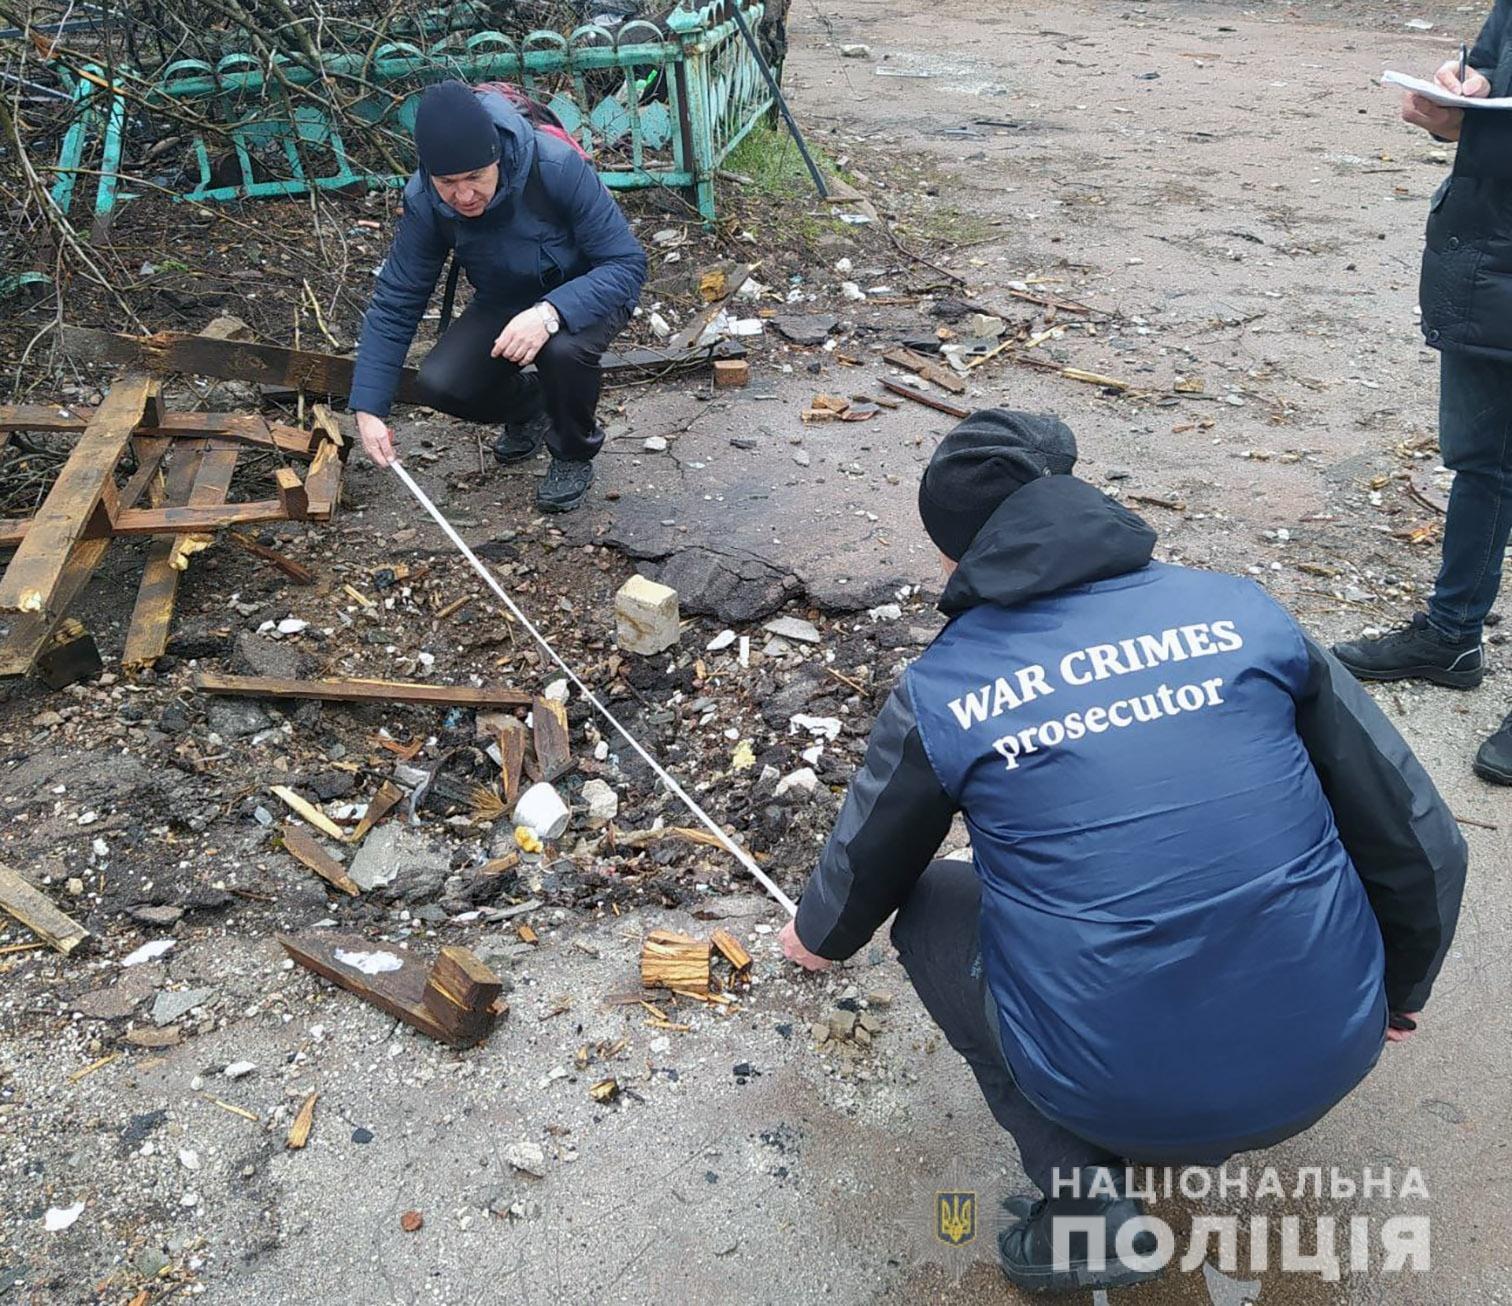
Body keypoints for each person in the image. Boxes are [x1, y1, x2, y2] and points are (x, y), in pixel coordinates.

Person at [776, 411, 1468, 1294]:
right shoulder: (1241, 612)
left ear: (954, 558)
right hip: (1334, 1048)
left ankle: (1084, 1205)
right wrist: (1397, 990)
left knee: (933, 905)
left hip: (1114, 1092)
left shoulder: (947, 685)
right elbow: (1422, 837)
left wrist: (816, 937)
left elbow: (870, 860)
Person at [1333, 1, 1512, 781]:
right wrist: (1463, 93)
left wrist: (1469, 126)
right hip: (1490, 257)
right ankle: (1451, 637)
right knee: (1483, 462)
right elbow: (1493, 81)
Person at [348, 79, 647, 513]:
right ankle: (532, 407)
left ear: (498, 159)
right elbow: (397, 299)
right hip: (505, 296)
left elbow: (626, 264)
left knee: (561, 351)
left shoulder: (555, 166)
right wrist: (369, 407)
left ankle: (573, 452)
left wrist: (551, 312)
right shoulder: (425, 200)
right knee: (440, 383)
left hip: (589, 288)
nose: (464, 195)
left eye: (475, 177)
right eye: (447, 182)